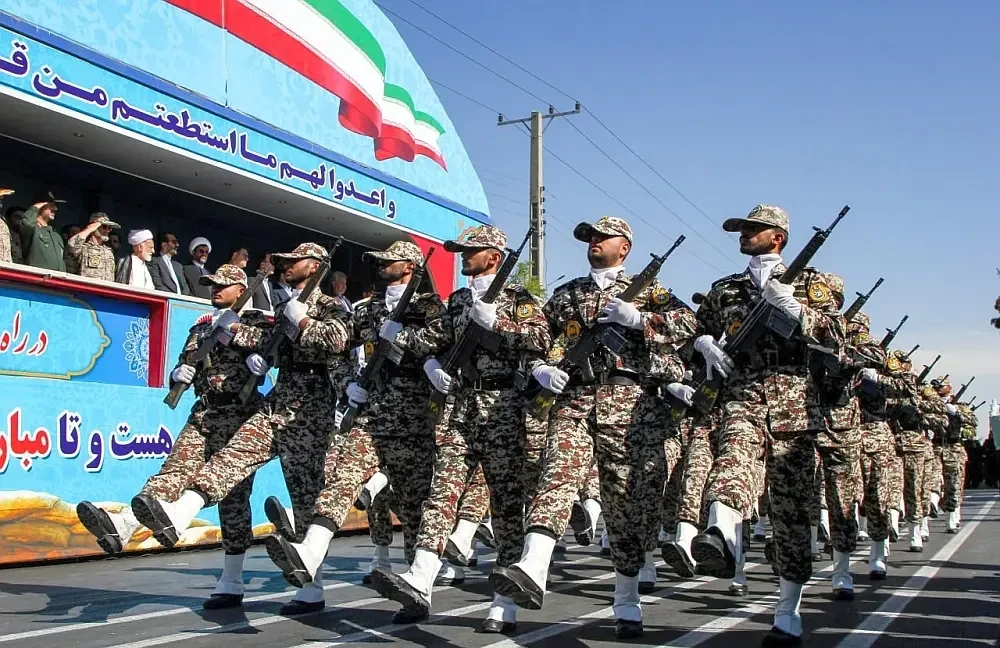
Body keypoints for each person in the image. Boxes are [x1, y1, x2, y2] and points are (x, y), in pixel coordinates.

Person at [491, 216, 698, 638]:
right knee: (556, 477)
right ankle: (533, 564)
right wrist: (541, 368)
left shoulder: (651, 292)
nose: (594, 242)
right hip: (575, 402)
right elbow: (535, 337)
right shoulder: (568, 295)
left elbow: (690, 325)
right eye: (590, 237)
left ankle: (627, 600)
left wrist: (640, 320)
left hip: (631, 410)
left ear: (625, 247)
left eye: (603, 237)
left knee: (626, 510)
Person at [672, 205, 845, 646]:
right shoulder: (725, 289)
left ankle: (788, 611)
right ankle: (720, 533)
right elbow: (690, 334)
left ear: (778, 237)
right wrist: (704, 344)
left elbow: (836, 337)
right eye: (742, 229)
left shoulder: (812, 284)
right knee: (732, 458)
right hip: (742, 393)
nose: (744, 234)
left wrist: (795, 309)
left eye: (754, 229)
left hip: (795, 404)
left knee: (791, 513)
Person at [369, 225, 550, 633]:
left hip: (503, 409)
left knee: (506, 506)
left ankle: (504, 603)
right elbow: (434, 340)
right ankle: (421, 576)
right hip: (462, 407)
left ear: (494, 257)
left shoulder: (519, 299)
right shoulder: (458, 300)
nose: (464, 255)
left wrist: (498, 323)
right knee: (442, 491)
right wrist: (424, 355)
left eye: (472, 250)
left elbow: (540, 338)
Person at [129, 243, 351, 568]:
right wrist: (264, 356)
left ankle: (310, 577)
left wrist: (301, 321)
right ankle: (180, 512)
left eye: (295, 260)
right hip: (277, 401)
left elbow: (338, 340)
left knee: (304, 493)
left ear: (316, 266)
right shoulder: (283, 306)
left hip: (310, 409)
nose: (286, 264)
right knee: (233, 456)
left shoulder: (331, 306)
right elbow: (273, 346)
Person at [262, 241, 448, 624]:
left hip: (414, 421)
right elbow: (339, 348)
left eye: (389, 261)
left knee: (413, 507)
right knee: (342, 476)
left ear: (410, 266)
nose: (380, 266)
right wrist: (349, 383)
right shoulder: (367, 310)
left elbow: (443, 345)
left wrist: (404, 338)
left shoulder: (429, 307)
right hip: (372, 414)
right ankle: (311, 550)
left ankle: (418, 589)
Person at [75, 265, 270, 608]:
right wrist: (178, 374)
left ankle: (232, 579)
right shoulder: (201, 326)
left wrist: (237, 333)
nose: (215, 289)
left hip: (240, 416)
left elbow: (270, 349)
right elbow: (187, 362)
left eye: (222, 285)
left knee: (233, 498)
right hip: (205, 413)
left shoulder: (256, 322)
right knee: (173, 472)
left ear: (241, 289)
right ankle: (123, 525)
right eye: (212, 284)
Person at [19, 191, 67, 272]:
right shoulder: (33, 229)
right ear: (41, 205)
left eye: (56, 206)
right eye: (51, 206)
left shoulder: (56, 236)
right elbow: (27, 224)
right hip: (36, 276)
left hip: (56, 278)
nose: (55, 209)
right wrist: (35, 207)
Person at [67, 213, 119, 282]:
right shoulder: (83, 248)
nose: (108, 230)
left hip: (106, 288)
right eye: (104, 227)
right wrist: (89, 229)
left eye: (109, 228)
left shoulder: (109, 251)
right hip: (86, 288)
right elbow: (72, 244)